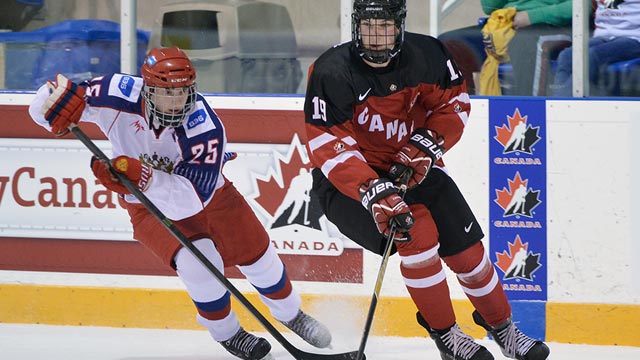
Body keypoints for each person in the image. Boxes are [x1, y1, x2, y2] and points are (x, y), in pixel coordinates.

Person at [28, 46, 332, 360]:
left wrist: (141, 175)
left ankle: (291, 314)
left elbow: (188, 201)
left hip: (210, 196)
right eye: (167, 94)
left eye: (183, 93)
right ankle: (228, 333)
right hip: (146, 207)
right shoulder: (116, 93)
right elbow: (51, 96)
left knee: (258, 256)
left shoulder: (204, 127)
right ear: (147, 89)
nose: (177, 103)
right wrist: (47, 107)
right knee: (199, 261)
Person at [304, 1, 550, 360]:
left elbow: (454, 104)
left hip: (416, 169)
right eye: (369, 27)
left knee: (468, 251)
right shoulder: (332, 71)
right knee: (417, 236)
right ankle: (447, 336)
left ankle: (503, 328)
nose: (376, 38)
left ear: (400, 26)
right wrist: (372, 188)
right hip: (348, 185)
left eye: (385, 27)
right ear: (356, 26)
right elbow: (327, 143)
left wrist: (428, 142)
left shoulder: (429, 55)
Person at [439, 0, 573, 95]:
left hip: (556, 24)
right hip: (507, 22)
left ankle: (528, 115)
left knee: (523, 43)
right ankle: (461, 112)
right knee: (450, 44)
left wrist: (532, 16)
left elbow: (585, 6)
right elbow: (490, 6)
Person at [552, 0, 640, 96]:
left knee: (591, 55)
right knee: (566, 56)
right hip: (603, 35)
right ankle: (559, 100)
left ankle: (568, 104)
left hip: (634, 37)